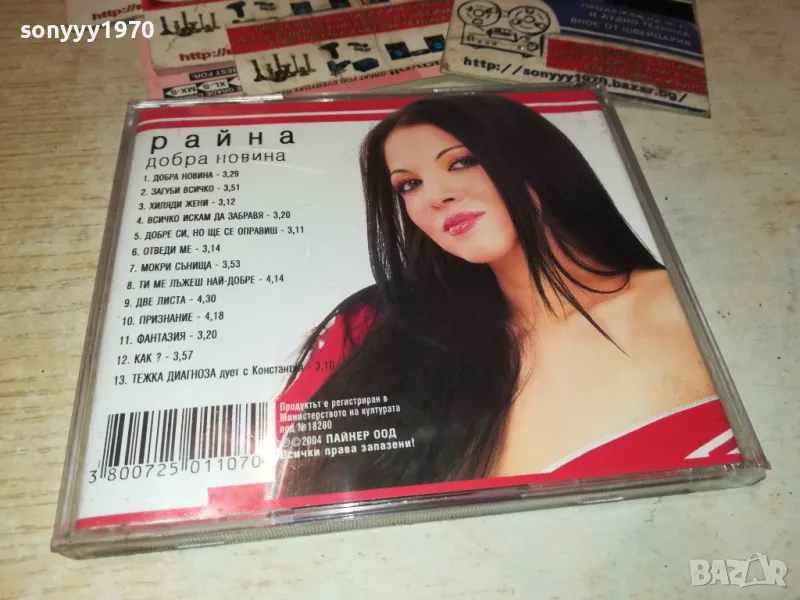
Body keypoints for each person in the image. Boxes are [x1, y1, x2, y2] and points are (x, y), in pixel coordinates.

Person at [273, 93, 719, 498]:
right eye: (409, 185)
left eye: (462, 161)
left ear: (535, 161)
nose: (435, 197)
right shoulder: (383, 334)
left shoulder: (690, 310)